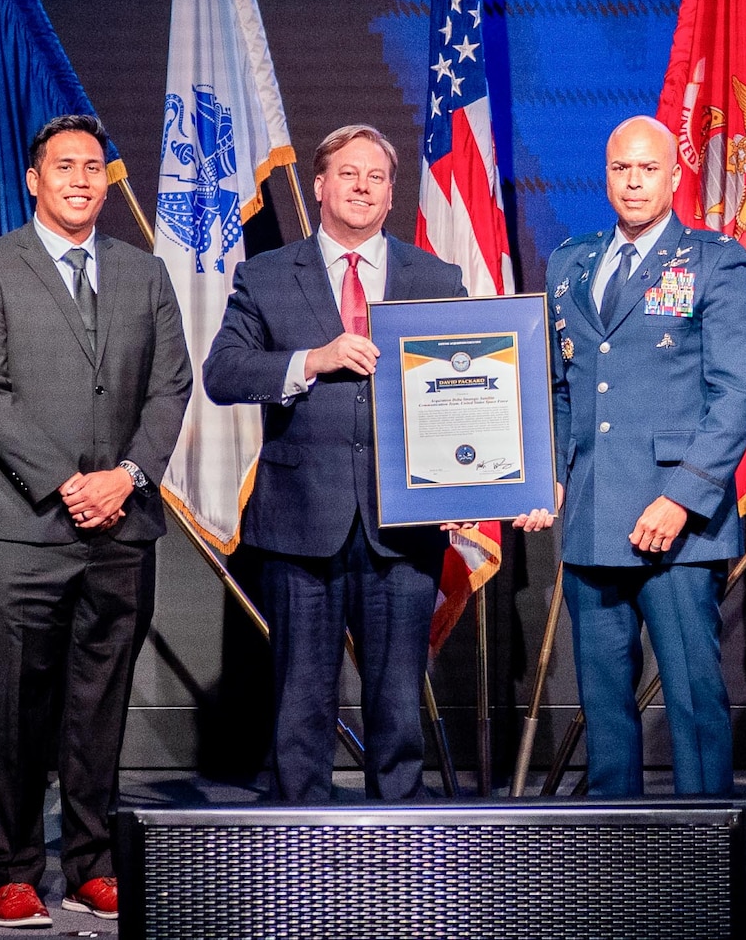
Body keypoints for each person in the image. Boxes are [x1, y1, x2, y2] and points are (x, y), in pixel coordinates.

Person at [206, 123, 546, 801]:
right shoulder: (267, 274)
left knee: (397, 710)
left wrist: (477, 485)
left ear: (392, 194)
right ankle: (301, 843)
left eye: (377, 177)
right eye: (348, 174)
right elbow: (223, 373)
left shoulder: (435, 277)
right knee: (301, 707)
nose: (362, 187)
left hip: (405, 527)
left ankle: (398, 844)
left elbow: (472, 390)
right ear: (319, 185)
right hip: (301, 523)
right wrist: (313, 359)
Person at [0, 114, 192, 928]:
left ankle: (91, 862)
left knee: (99, 704)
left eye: (93, 167)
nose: (81, 179)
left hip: (122, 526)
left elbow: (171, 386)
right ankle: (12, 868)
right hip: (23, 527)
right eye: (64, 166)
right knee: (17, 706)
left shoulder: (144, 271)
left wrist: (125, 476)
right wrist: (66, 483)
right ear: (33, 178)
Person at [543, 115, 746, 796]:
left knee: (694, 701)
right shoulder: (569, 262)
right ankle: (617, 841)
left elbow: (740, 394)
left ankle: (705, 845)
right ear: (605, 176)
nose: (634, 182)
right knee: (603, 706)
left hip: (677, 522)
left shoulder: (716, 260)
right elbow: (560, 387)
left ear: (675, 176)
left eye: (648, 169)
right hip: (591, 516)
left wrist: (682, 498)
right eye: (622, 168)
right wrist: (549, 475)